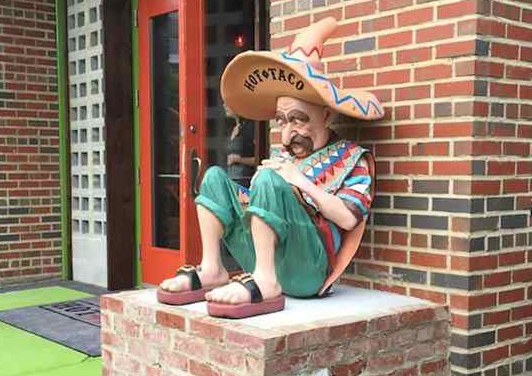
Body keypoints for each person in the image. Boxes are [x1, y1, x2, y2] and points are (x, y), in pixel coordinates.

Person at [157, 17, 384, 318]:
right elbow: (262, 208)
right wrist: (242, 198)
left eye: (298, 119)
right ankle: (212, 267)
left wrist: (298, 181)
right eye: (282, 120)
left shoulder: (353, 158)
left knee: (267, 178)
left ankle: (265, 282)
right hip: (273, 254)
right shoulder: (285, 156)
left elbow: (347, 219)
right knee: (214, 179)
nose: (289, 131)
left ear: (326, 117)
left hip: (307, 269)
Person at [224, 104, 256, 189]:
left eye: (228, 103)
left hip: (244, 181)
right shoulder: (233, 128)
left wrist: (238, 159)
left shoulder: (250, 127)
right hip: (231, 180)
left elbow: (260, 159)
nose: (224, 105)